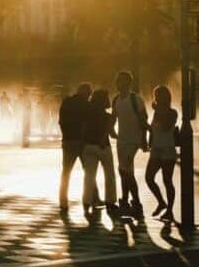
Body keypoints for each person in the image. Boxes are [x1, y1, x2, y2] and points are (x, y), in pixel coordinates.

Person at [112, 71, 149, 216]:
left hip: (133, 140)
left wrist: (144, 140)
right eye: (117, 80)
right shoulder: (116, 100)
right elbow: (114, 118)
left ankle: (136, 203)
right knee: (125, 172)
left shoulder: (136, 99)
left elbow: (143, 120)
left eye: (121, 81)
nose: (117, 83)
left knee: (124, 170)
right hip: (121, 141)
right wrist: (110, 131)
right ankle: (126, 202)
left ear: (128, 82)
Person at [81, 88, 118, 216]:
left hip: (89, 146)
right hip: (104, 147)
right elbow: (112, 134)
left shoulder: (86, 115)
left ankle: (87, 202)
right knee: (109, 175)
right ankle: (110, 201)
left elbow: (83, 130)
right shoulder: (108, 117)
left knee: (89, 176)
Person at [144, 85, 179, 222]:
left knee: (167, 180)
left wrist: (158, 111)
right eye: (155, 95)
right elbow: (154, 130)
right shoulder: (156, 112)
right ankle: (161, 202)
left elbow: (165, 127)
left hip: (167, 150)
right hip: (156, 150)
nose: (156, 98)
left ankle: (169, 210)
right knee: (149, 177)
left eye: (159, 95)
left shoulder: (172, 112)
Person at [58, 83, 93, 211]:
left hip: (67, 141)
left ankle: (63, 201)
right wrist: (84, 140)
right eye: (89, 94)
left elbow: (61, 121)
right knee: (89, 172)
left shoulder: (66, 102)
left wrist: (65, 136)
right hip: (82, 142)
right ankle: (90, 199)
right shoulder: (86, 105)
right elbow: (86, 124)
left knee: (66, 172)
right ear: (86, 93)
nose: (89, 96)